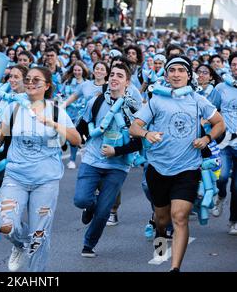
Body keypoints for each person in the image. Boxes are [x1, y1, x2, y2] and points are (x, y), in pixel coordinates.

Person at [130, 55, 225, 272]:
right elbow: (134, 127)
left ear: (188, 75)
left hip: (188, 168)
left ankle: (175, 269)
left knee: (180, 217)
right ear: (165, 75)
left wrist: (207, 139)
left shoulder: (198, 100)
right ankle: (161, 234)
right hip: (158, 168)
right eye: (172, 71)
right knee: (162, 219)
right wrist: (147, 133)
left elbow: (219, 123)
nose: (176, 74)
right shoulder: (156, 101)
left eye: (181, 70)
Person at [0, 66, 81, 272]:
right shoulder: (13, 108)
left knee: (39, 236)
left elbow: (76, 139)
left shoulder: (56, 111)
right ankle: (19, 243)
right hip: (15, 176)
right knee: (6, 225)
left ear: (47, 86)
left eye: (36, 80)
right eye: (28, 79)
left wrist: (52, 123)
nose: (30, 83)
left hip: (46, 180)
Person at [73, 63, 142, 258]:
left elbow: (139, 143)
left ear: (127, 82)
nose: (114, 78)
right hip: (92, 159)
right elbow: (82, 125)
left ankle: (89, 244)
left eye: (119, 76)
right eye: (112, 74)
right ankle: (89, 206)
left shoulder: (134, 109)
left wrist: (116, 150)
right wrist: (80, 139)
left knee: (104, 212)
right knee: (81, 199)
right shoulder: (95, 102)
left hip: (118, 166)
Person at [212, 52, 237, 231]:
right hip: (225, 142)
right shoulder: (221, 88)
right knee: (222, 176)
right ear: (230, 66)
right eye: (234, 64)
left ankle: (234, 220)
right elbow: (209, 109)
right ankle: (220, 196)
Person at [60, 61, 90, 169]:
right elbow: (60, 94)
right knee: (62, 134)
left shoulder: (87, 84)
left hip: (80, 115)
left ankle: (72, 160)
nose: (77, 72)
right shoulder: (67, 82)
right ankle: (62, 148)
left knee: (74, 136)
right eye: (75, 70)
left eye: (79, 70)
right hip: (67, 113)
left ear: (83, 71)